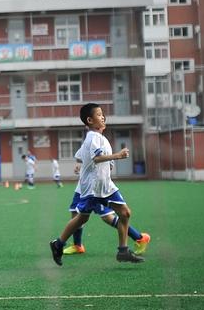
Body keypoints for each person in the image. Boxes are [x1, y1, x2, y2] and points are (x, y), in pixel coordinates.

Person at [50, 103, 143, 265]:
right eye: (99, 114)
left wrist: (109, 161)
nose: (103, 117)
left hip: (105, 185)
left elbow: (87, 157)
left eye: (102, 114)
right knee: (82, 219)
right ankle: (58, 244)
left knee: (124, 213)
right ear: (89, 120)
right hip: (94, 187)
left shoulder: (101, 138)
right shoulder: (92, 137)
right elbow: (96, 158)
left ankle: (123, 250)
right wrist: (117, 156)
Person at [62, 150, 151, 256]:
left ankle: (139, 238)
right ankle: (77, 245)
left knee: (108, 218)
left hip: (95, 189)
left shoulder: (102, 144)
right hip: (82, 187)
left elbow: (109, 166)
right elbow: (79, 157)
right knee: (74, 213)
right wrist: (81, 167)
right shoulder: (88, 141)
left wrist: (91, 168)